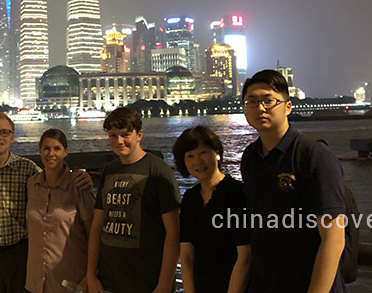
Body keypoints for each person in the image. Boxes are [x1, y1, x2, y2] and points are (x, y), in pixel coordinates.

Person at [230, 70, 346, 293]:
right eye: (251, 101)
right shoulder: (250, 158)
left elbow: (333, 239)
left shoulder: (312, 154)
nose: (260, 108)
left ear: (288, 106)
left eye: (268, 100)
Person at [0, 113, 92, 293]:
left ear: (12, 137)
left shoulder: (28, 170)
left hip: (20, 255)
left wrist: (83, 177)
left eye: (4, 132)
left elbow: (52, 177)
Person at [86, 107, 181, 293]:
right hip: (109, 280)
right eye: (113, 135)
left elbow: (173, 232)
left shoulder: (158, 171)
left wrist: (164, 283)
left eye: (125, 134)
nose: (119, 141)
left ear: (139, 135)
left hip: (148, 281)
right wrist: (91, 274)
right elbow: (97, 226)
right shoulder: (109, 171)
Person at [172, 126, 250, 293]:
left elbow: (245, 256)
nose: (197, 162)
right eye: (190, 156)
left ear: (217, 153)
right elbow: (186, 256)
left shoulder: (237, 193)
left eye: (203, 153)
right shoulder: (190, 198)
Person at [25, 129, 94, 293]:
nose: (51, 153)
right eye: (46, 148)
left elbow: (93, 232)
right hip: (35, 282)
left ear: (65, 152)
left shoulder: (78, 186)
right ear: (40, 151)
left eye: (56, 148)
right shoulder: (31, 185)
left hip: (70, 281)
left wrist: (90, 275)